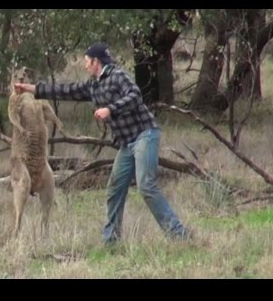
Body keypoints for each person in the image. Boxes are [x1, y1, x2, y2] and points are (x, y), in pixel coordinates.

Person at [14, 42, 192, 244]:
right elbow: (64, 90)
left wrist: (110, 109)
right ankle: (111, 241)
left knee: (146, 186)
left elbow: (135, 96)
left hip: (144, 135)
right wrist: (28, 88)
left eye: (87, 61)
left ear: (96, 62)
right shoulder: (93, 85)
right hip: (127, 143)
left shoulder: (118, 76)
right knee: (115, 189)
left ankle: (179, 235)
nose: (85, 65)